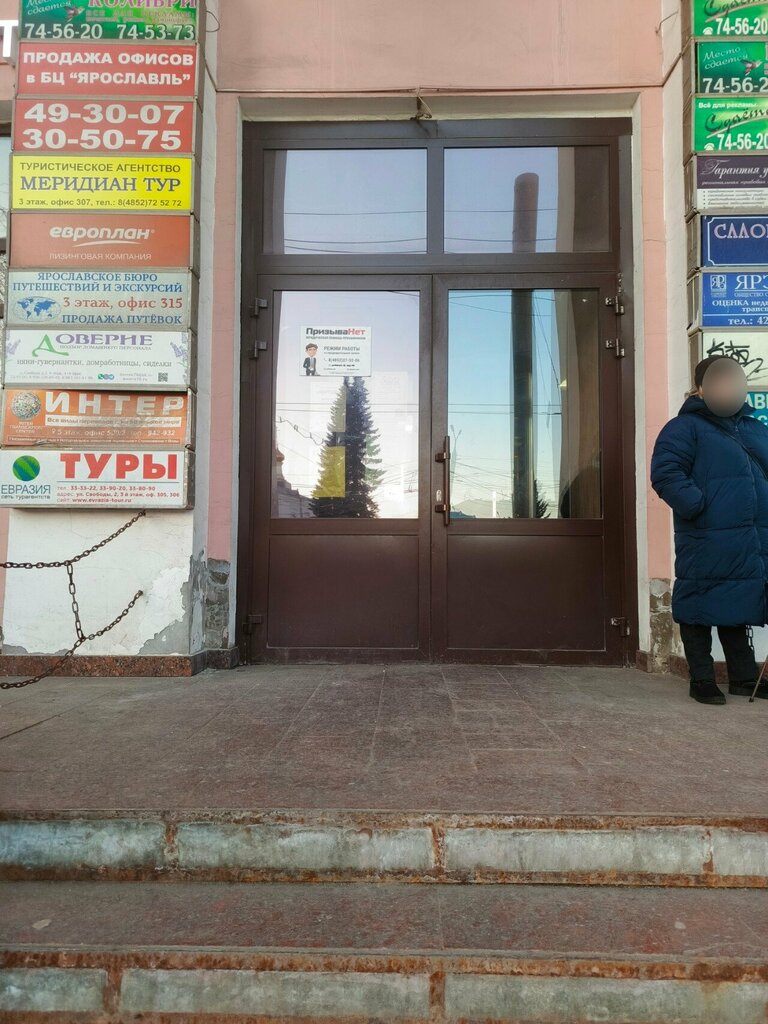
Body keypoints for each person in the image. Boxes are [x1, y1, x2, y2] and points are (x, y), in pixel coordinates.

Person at [651, 355, 768, 704]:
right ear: (701, 387)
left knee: (738, 599)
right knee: (698, 603)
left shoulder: (754, 427)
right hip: (706, 534)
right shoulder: (684, 427)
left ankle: (743, 678)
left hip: (750, 536)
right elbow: (666, 473)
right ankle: (701, 679)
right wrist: (698, 506)